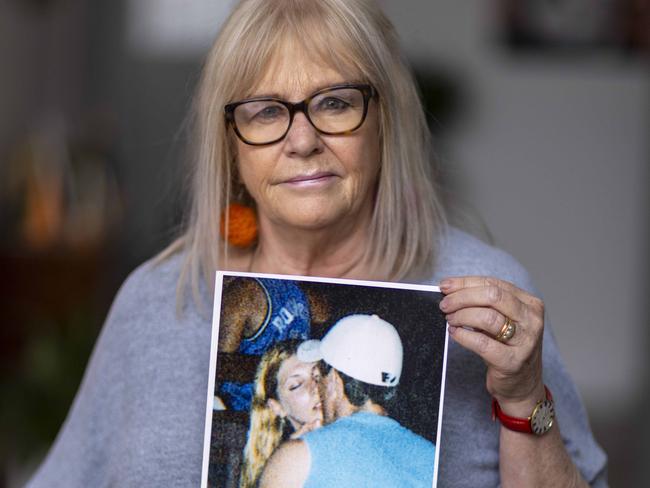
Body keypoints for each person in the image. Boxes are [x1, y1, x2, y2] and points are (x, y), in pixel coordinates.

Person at [26, 1, 607, 487]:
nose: (302, 140)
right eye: (264, 111)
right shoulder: (159, 302)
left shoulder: (488, 293)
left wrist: (523, 397)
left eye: (335, 103)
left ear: (386, 120)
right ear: (231, 144)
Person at [259, 314, 436, 488]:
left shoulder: (298, 459)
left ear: (334, 380)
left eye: (318, 376)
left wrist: (292, 453)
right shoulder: (434, 457)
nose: (316, 388)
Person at [216, 276, 328, 411]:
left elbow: (218, 366)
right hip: (294, 403)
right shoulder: (305, 289)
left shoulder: (243, 292)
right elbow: (324, 317)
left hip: (249, 409)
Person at [239, 340, 323, 488]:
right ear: (277, 406)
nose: (315, 387)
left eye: (318, 376)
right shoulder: (280, 467)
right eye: (296, 385)